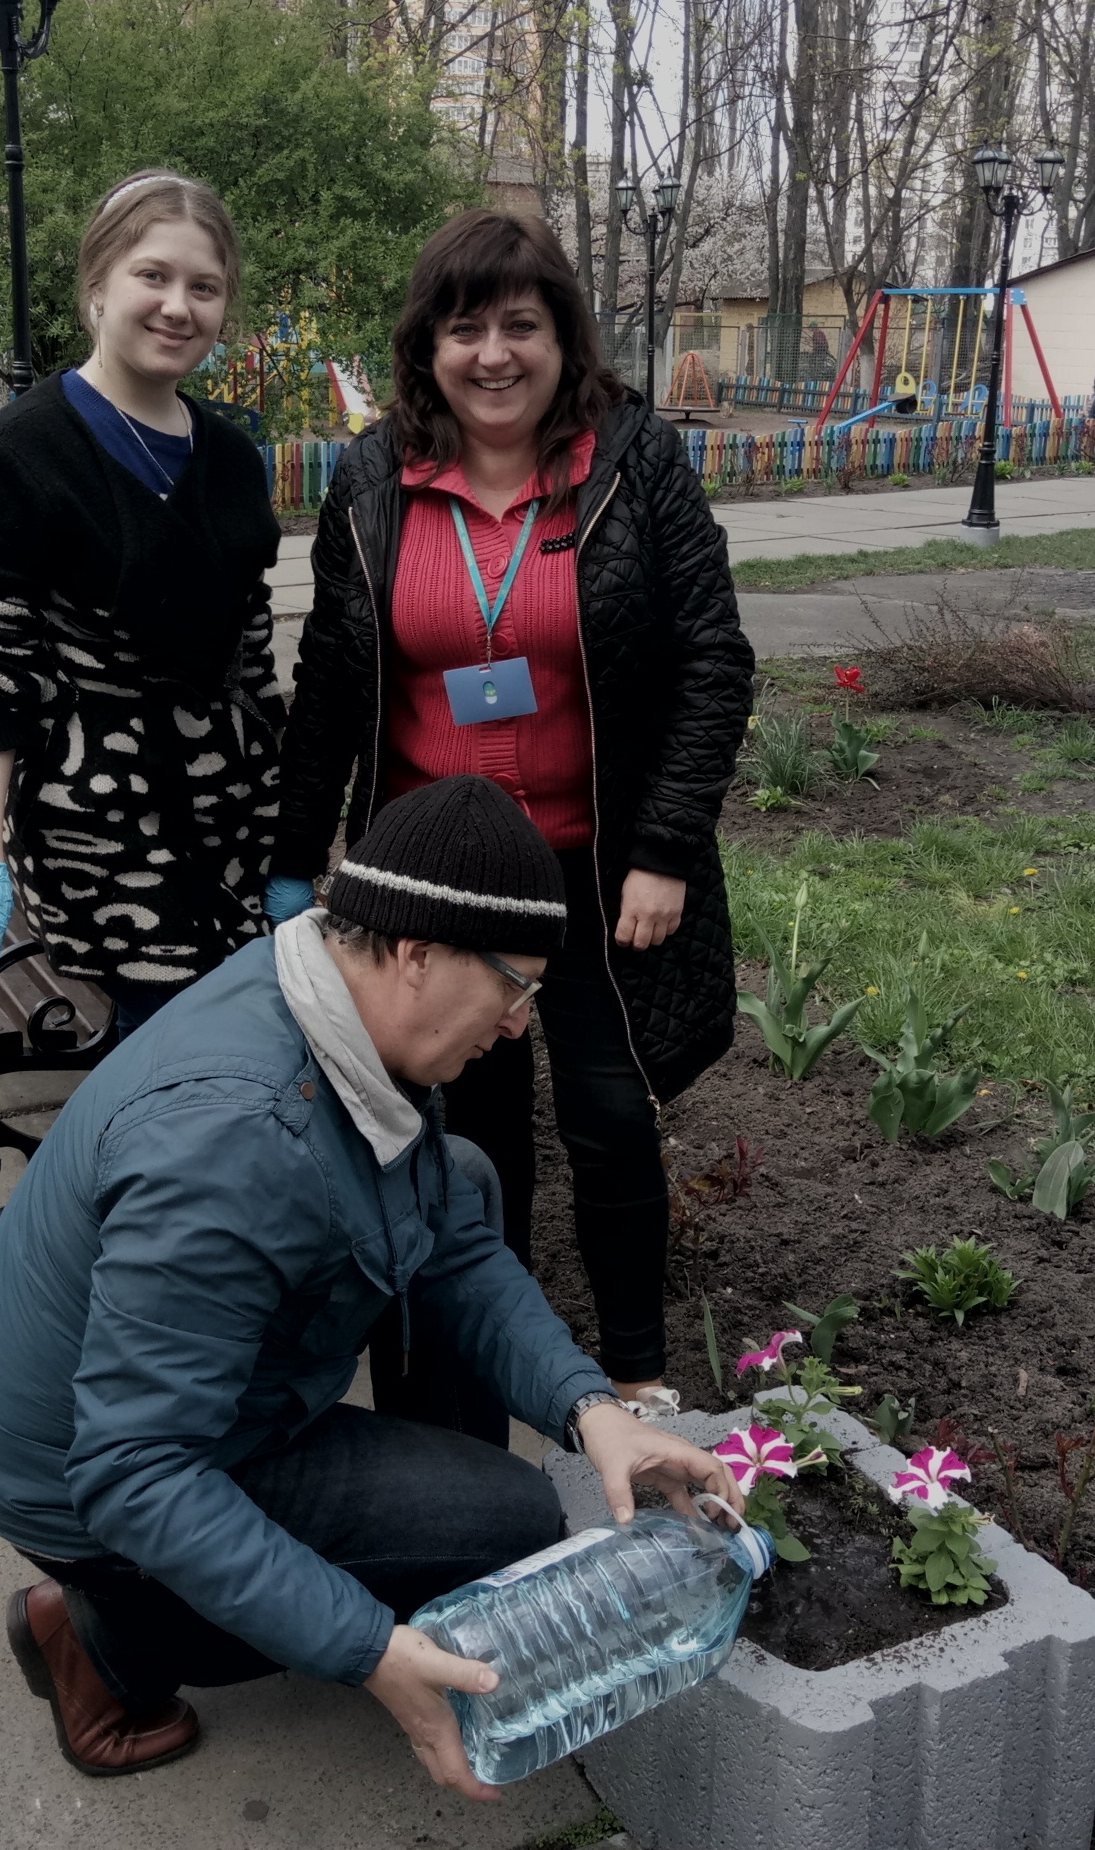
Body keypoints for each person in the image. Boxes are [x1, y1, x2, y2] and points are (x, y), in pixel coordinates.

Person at [0, 774, 743, 1798]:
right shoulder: (235, 1143)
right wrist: (366, 1646)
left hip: (148, 1408)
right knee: (504, 1525)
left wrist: (593, 1411)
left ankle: (380, 1552)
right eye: (516, 987)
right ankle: (106, 1640)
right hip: (83, 1483)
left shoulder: (326, 992)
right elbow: (136, 1472)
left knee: (464, 1177)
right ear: (417, 953)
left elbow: (449, 1235)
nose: (520, 1023)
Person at [266, 210, 754, 1421]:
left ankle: (634, 1376)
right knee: (463, 1135)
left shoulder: (634, 462)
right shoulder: (374, 477)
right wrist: (290, 858)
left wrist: (663, 849)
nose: (493, 353)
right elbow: (332, 677)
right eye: (464, 328)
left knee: (609, 1116)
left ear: (563, 337)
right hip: (435, 889)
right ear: (426, 348)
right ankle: (484, 1372)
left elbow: (711, 660)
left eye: (520, 325)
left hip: (593, 870)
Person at [0, 170, 286, 1034]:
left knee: (229, 1038)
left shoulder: (232, 459)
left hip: (236, 816)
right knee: (177, 1037)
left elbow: (253, 659)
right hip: (101, 819)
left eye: (204, 287)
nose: (178, 307)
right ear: (97, 284)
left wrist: (292, 831)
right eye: (152, 275)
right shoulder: (18, 458)